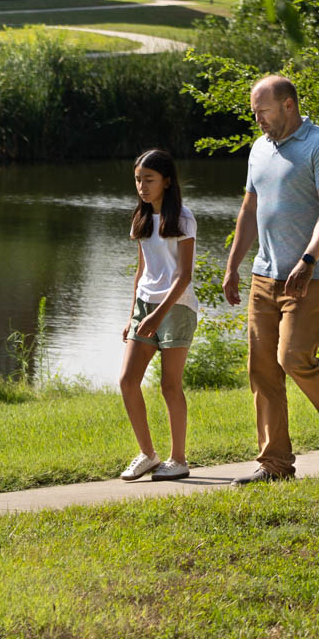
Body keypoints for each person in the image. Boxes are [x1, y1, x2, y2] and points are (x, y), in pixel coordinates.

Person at [222, 74, 319, 483]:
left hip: (311, 275)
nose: (258, 120)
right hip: (265, 275)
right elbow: (250, 210)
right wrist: (233, 264)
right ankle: (275, 465)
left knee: (292, 358)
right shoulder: (258, 149)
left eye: (262, 111)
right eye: (254, 113)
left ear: (288, 105)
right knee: (263, 370)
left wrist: (308, 260)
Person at [117, 149, 200, 482]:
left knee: (169, 385)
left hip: (176, 306)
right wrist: (133, 315)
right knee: (127, 381)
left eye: (149, 180)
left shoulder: (182, 217)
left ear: (166, 181)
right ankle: (148, 454)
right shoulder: (139, 218)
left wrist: (157, 315)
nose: (142, 186)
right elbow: (142, 271)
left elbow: (183, 276)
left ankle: (177, 459)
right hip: (145, 307)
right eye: (138, 180)